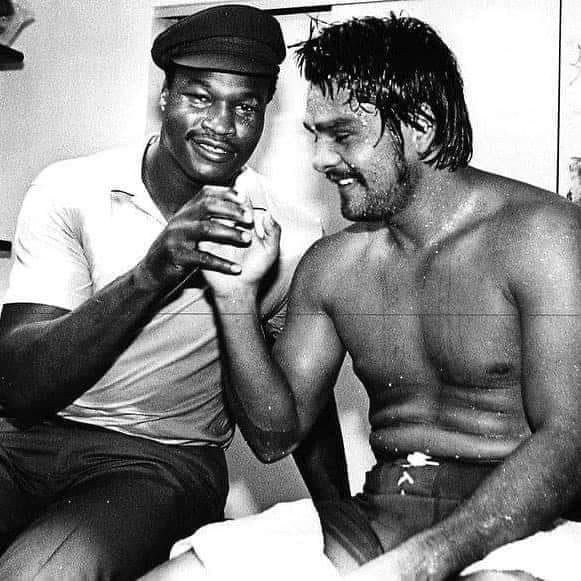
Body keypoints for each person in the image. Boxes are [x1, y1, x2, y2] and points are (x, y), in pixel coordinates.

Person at [142, 13, 581, 581]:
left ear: (419, 126)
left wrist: (420, 566)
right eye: (314, 136)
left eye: (342, 134)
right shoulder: (334, 266)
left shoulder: (545, 237)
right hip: (382, 519)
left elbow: (569, 442)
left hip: (526, 528)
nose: (321, 160)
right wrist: (234, 299)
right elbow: (274, 437)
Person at [0, 5, 330, 579]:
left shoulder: (291, 234)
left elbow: (299, 399)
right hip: (24, 439)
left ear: (264, 117)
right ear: (165, 97)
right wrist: (153, 271)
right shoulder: (74, 188)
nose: (221, 126)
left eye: (244, 107)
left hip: (157, 460)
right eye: (200, 97)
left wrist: (342, 521)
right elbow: (19, 387)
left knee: (38, 575)